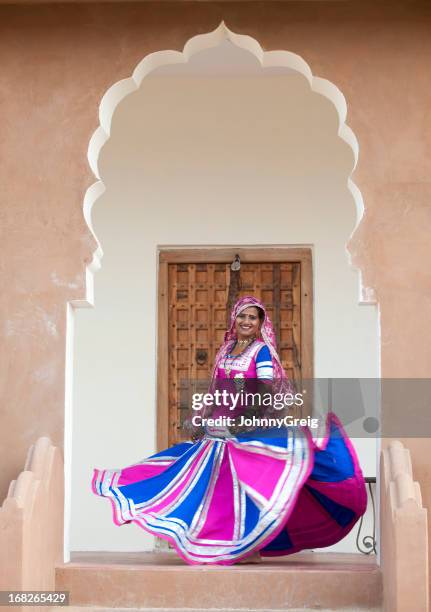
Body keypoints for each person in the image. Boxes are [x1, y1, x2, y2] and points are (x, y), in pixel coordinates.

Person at [92, 296, 367, 565]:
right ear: (234, 319)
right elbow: (215, 389)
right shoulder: (225, 350)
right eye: (242, 315)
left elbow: (265, 388)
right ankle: (224, 545)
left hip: (246, 431)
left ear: (260, 323)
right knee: (206, 489)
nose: (246, 321)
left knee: (246, 491)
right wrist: (202, 418)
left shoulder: (260, 351)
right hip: (217, 432)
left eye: (252, 317)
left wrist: (245, 420)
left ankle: (249, 549)